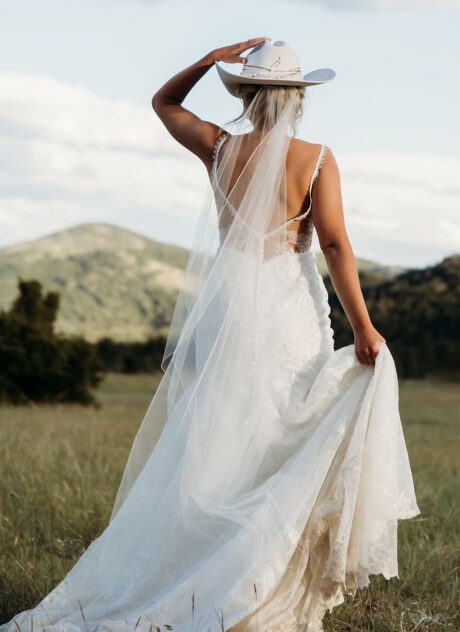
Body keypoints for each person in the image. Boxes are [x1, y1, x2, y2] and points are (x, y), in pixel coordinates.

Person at [1, 38, 419, 632]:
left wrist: (207, 59)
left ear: (246, 95)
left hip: (230, 310)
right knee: (286, 431)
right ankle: (254, 578)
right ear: (298, 97)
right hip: (287, 312)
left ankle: (208, 569)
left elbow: (162, 101)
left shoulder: (218, 146)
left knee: (224, 433)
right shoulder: (317, 157)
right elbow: (333, 245)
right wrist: (363, 324)